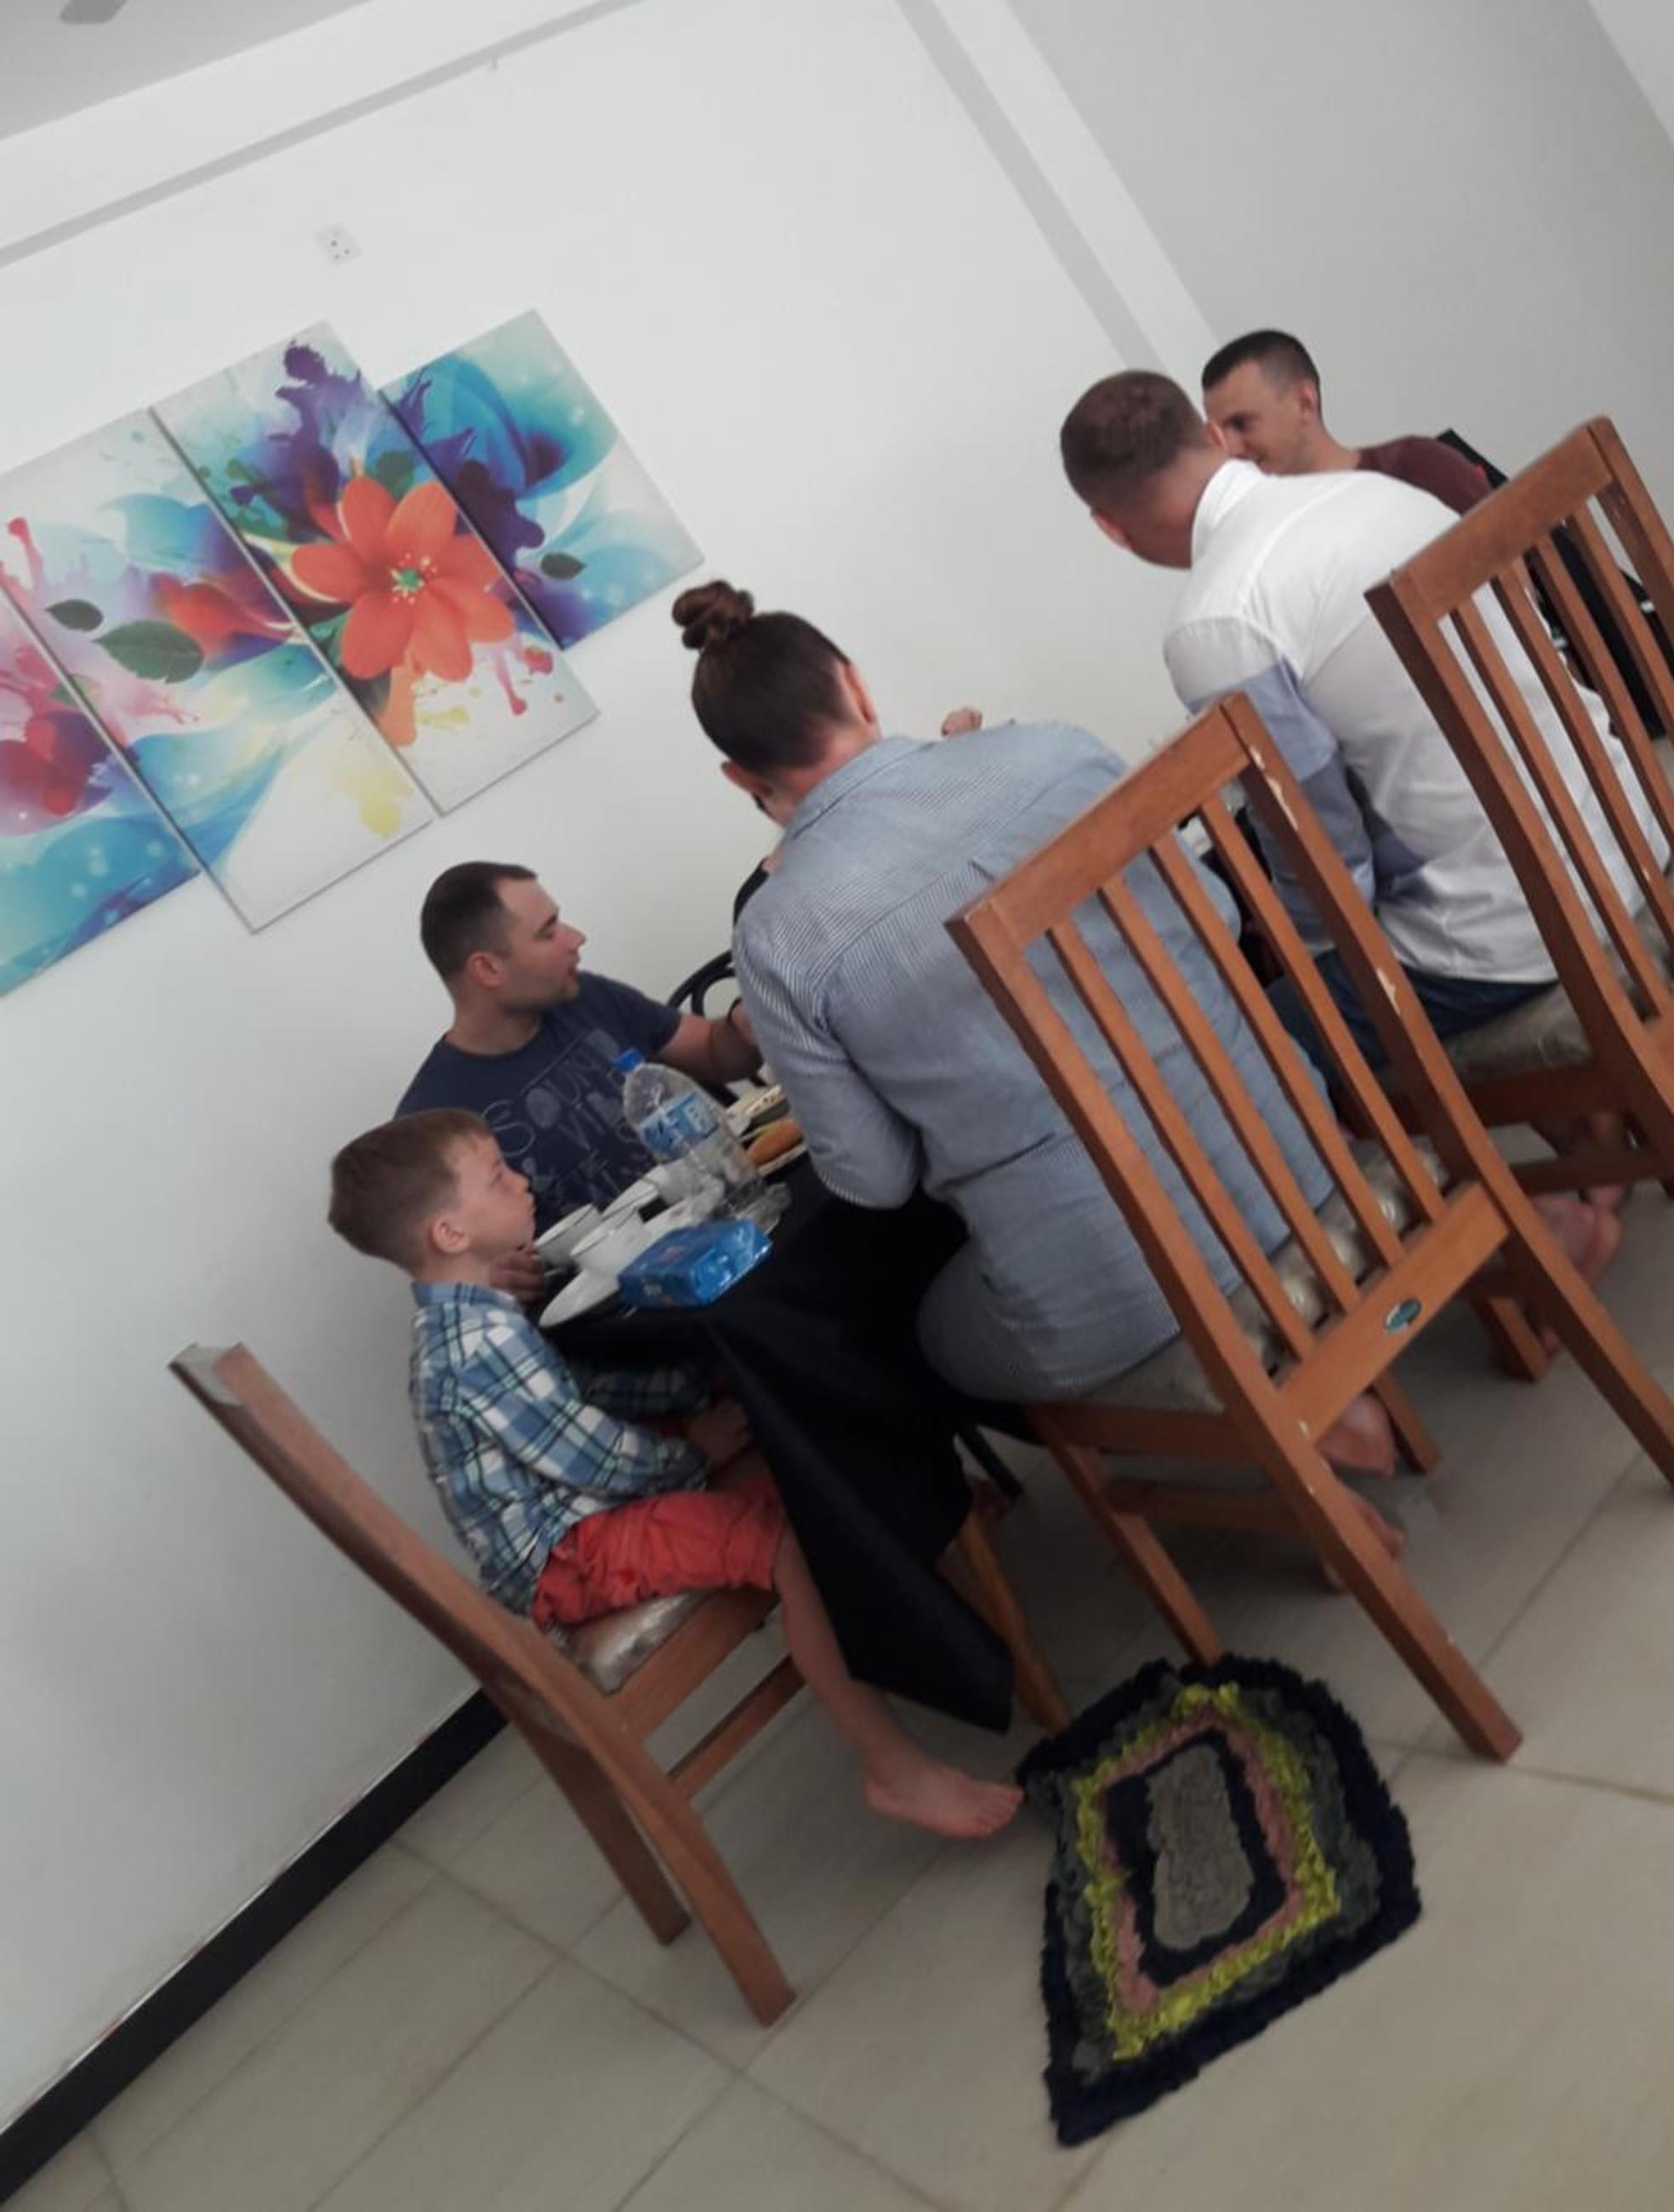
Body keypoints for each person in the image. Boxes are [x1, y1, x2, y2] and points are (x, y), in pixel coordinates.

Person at [673, 577, 1398, 1487]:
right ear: (854, 684)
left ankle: (1261, 1423)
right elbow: (1215, 921)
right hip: (1301, 1154)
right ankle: (1306, 1388)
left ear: (741, 778)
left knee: (931, 1337)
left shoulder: (779, 933)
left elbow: (874, 1178)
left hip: (1125, 1287)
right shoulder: (1054, 753)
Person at [1060, 370, 1656, 1254]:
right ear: (1213, 438)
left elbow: (1318, 850)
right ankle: (1585, 1134)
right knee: (1374, 924)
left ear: (1109, 527)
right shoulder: (1382, 496)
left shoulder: (1217, 619)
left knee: (1255, 1051)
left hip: (1518, 930)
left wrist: (1307, 953)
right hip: (1628, 837)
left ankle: (1524, 1240)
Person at [327, 1108, 1022, 1837]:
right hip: (566, 1550)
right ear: (450, 1234)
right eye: (498, 1177)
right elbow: (591, 1455)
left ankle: (915, 1533)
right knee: (785, 1546)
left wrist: (690, 1394)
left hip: (579, 1504)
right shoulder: (474, 1348)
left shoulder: (479, 1316)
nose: (521, 1182)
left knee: (778, 1421)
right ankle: (893, 1770)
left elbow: (581, 1393)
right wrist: (697, 1453)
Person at [396, 861, 763, 1295]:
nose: (576, 938)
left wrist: (742, 1027)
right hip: (632, 1304)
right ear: (488, 969)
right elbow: (450, 1272)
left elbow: (715, 1053)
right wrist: (488, 1278)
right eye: (548, 932)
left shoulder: (584, 995)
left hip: (730, 1224)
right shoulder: (431, 1118)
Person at [1201, 329, 1489, 515]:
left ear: (1304, 403)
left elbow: (1511, 555)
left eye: (1242, 424)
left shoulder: (1417, 466)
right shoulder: (1271, 537)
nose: (1231, 450)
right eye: (1220, 435)